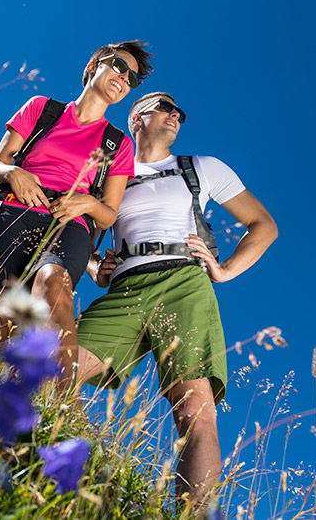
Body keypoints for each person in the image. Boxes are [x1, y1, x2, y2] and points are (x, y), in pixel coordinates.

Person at [75, 92, 278, 507]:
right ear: (137, 117)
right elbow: (83, 239)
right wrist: (96, 267)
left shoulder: (201, 167)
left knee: (194, 410)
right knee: (57, 365)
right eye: (165, 107)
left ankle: (194, 515)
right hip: (125, 288)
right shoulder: (109, 175)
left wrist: (224, 270)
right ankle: (84, 479)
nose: (175, 115)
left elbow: (263, 225)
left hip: (183, 281)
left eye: (179, 113)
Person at [0, 41, 153, 388]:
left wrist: (87, 204)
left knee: (54, 282)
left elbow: (109, 214)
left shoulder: (117, 144)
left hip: (69, 224)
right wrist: (13, 173)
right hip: (12, 209)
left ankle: (61, 405)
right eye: (119, 66)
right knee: (3, 317)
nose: (123, 79)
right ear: (94, 65)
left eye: (131, 79)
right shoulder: (42, 109)